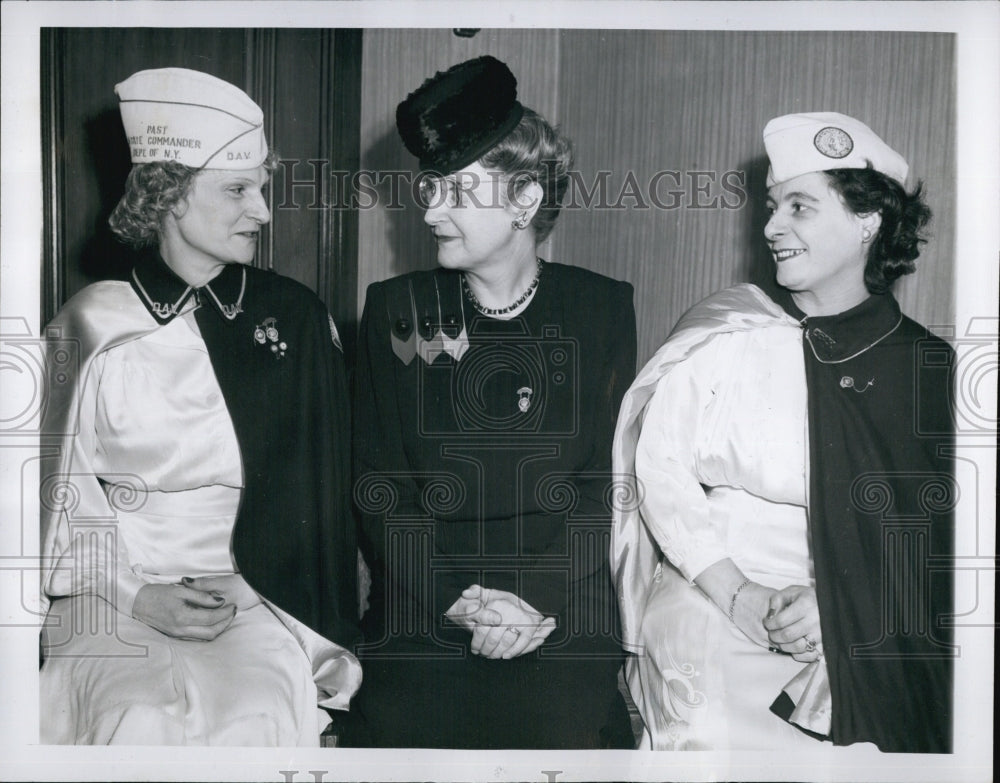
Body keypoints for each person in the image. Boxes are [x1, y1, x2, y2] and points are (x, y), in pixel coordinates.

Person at [611, 112, 954, 752]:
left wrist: (845, 607)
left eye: (799, 206)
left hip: (852, 624)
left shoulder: (927, 370)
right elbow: (658, 470)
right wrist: (737, 593)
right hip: (710, 593)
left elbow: (941, 543)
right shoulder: (729, 334)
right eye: (772, 207)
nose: (771, 227)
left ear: (867, 222)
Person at [38, 67, 361, 745]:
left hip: (258, 598)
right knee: (136, 719)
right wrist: (136, 594)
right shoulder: (88, 324)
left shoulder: (295, 319)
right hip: (110, 595)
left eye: (263, 189)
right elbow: (54, 495)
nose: (265, 212)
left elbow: (322, 498)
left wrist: (255, 591)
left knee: (252, 717)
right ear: (171, 196)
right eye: (239, 190)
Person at [352, 55, 637, 748]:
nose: (429, 209)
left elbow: (605, 482)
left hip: (561, 599)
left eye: (455, 191)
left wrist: (536, 600)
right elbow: (378, 485)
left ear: (525, 200)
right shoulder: (395, 308)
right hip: (427, 597)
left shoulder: (601, 309)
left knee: (558, 731)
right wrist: (459, 598)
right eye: (429, 188)